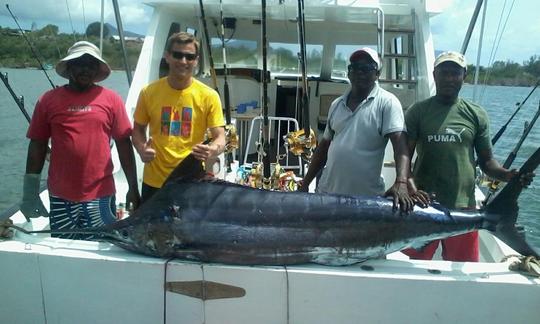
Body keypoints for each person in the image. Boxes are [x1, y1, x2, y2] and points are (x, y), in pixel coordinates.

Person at [403, 51, 535, 262]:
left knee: (463, 268)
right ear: (434, 75)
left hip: (463, 206)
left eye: (455, 73)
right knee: (411, 266)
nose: (449, 78)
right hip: (422, 204)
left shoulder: (476, 113)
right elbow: (405, 158)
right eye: (444, 72)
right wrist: (410, 188)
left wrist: (507, 175)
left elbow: (487, 162)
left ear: (464, 76)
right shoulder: (418, 111)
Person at [21, 41, 140, 240]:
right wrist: (30, 192)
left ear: (97, 69)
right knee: (62, 249)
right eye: (80, 63)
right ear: (69, 67)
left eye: (92, 64)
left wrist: (132, 188)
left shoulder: (112, 99)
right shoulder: (47, 100)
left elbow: (124, 145)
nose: (86, 69)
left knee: (100, 250)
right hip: (60, 195)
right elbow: (37, 145)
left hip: (100, 194)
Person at [299, 47, 419, 212]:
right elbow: (324, 147)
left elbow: (400, 146)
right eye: (354, 67)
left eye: (366, 68)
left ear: (377, 74)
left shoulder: (387, 103)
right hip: (328, 192)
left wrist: (402, 182)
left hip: (366, 199)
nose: (359, 72)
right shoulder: (336, 104)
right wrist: (305, 183)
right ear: (348, 73)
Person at [132, 32, 225, 202]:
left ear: (196, 60)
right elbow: (137, 129)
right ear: (167, 56)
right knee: (153, 229)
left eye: (189, 57)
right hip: (155, 181)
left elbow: (220, 137)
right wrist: (141, 149)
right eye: (177, 55)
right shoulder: (148, 92)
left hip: (191, 181)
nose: (183, 61)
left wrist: (212, 150)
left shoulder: (209, 96)